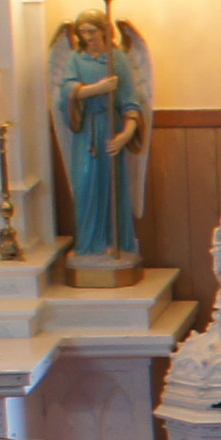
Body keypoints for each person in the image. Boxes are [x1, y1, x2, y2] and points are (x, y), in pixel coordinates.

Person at [50, 15, 152, 261]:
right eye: (83, 32)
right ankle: (88, 244)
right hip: (85, 132)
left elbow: (130, 101)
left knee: (111, 185)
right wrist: (97, 89)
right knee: (85, 185)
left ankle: (113, 242)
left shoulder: (118, 59)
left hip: (110, 128)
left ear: (104, 31)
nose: (88, 37)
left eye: (92, 31)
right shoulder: (76, 59)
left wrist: (126, 133)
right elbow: (66, 93)